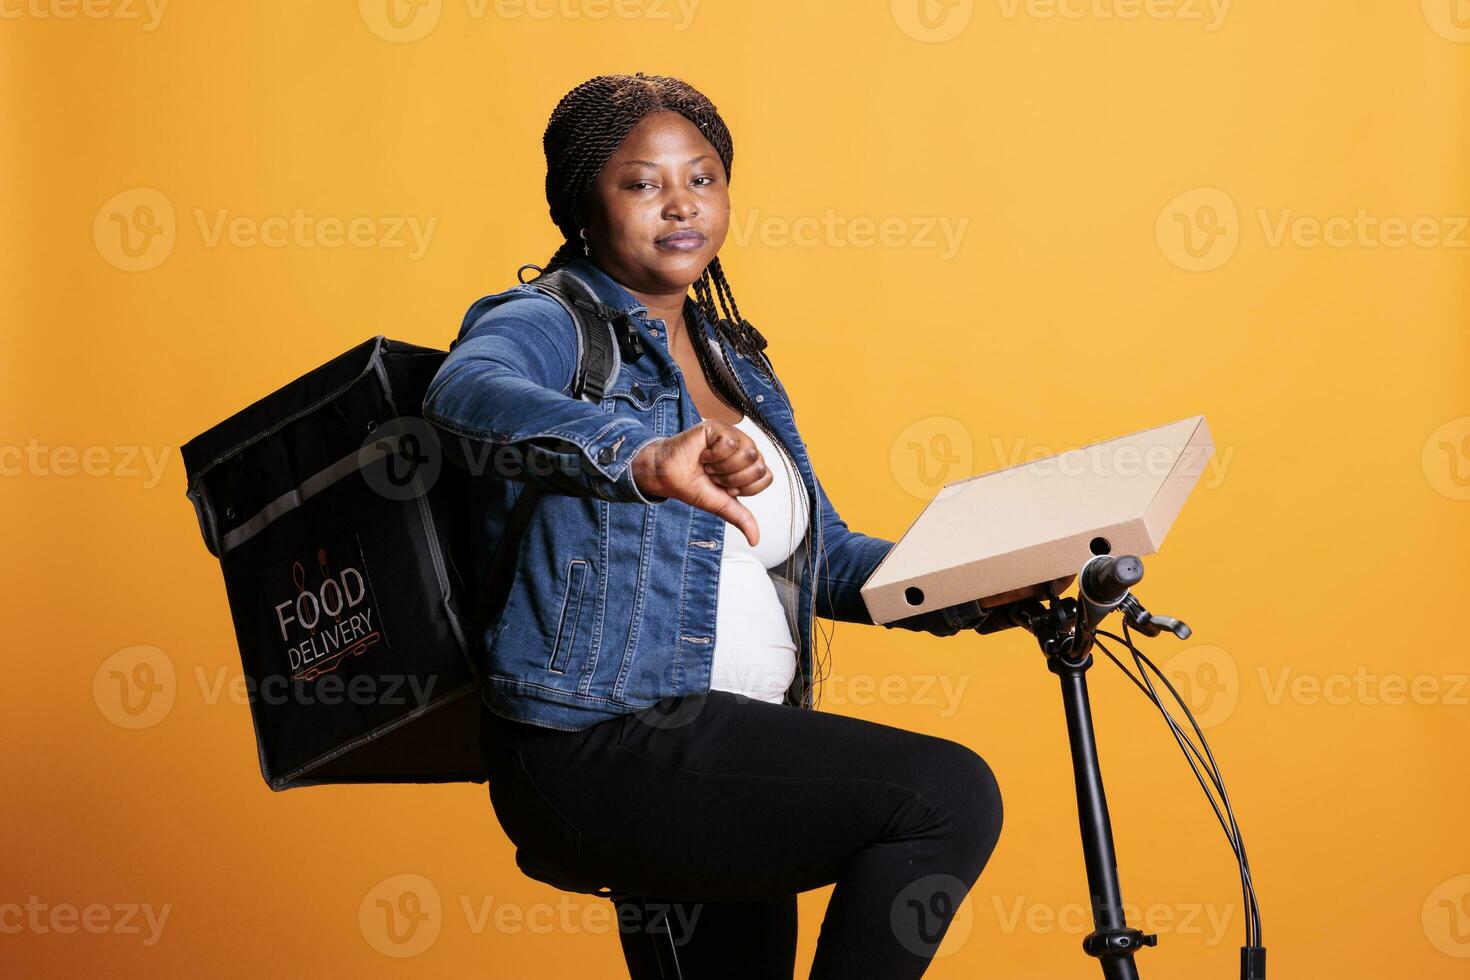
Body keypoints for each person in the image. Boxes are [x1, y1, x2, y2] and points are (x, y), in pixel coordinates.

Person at [423, 72, 1071, 980]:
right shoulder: (547, 321)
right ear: (582, 202)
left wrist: (971, 582)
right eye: (643, 183)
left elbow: (825, 561)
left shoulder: (737, 363)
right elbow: (464, 393)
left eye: (704, 178)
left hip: (735, 740)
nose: (681, 205)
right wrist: (641, 455)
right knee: (946, 795)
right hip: (599, 740)